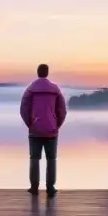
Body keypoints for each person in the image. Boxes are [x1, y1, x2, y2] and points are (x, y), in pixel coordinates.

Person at [19, 63, 67, 198]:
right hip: (51, 130)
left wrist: (30, 124)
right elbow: (62, 110)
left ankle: (34, 188)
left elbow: (23, 109)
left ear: (37, 72)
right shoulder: (55, 89)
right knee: (51, 159)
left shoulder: (30, 89)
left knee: (34, 159)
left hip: (35, 131)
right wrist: (57, 125)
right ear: (47, 73)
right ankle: (50, 188)